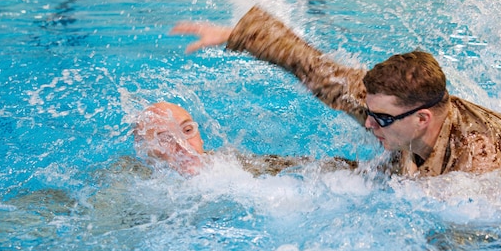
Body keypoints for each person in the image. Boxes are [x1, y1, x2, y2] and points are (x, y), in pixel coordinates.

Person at [171, 6, 501, 177]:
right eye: (368, 111)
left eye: (379, 119)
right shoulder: (395, 106)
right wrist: (234, 35)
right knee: (313, 172)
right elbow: (314, 67)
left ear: (422, 119)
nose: (367, 124)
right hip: (416, 159)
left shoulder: (486, 166)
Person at [132, 100, 356, 177]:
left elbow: (305, 167)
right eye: (165, 139)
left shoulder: (234, 166)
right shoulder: (130, 181)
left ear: (201, 137)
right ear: (145, 149)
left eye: (187, 131)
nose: (184, 146)